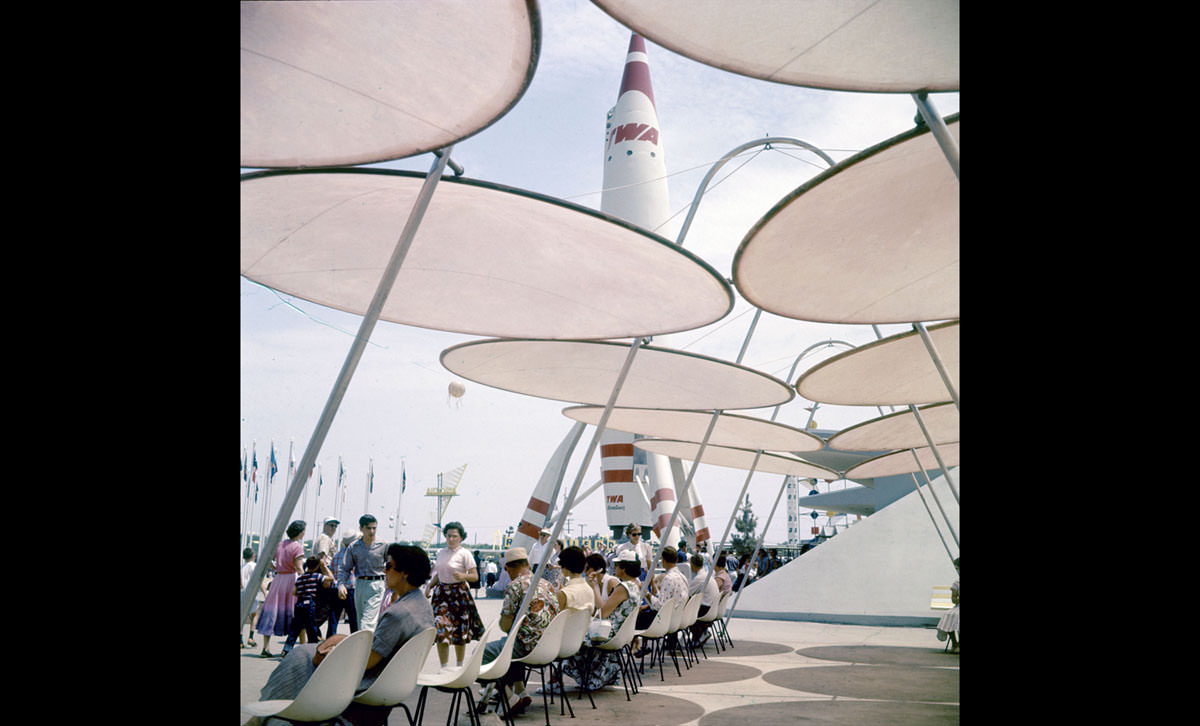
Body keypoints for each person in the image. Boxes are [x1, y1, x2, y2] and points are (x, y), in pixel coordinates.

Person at [253, 544, 436, 726]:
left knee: (301, 656)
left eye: (388, 566)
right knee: (308, 653)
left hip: (372, 680)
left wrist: (338, 653)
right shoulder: (422, 606)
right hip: (396, 682)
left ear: (405, 572)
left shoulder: (399, 613)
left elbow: (370, 660)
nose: (383, 570)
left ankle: (268, 714)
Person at [480, 546, 560, 715]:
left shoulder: (515, 585)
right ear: (528, 565)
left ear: (508, 568)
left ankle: (509, 697)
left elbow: (506, 625)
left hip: (528, 647)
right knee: (510, 644)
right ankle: (521, 691)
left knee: (482, 653)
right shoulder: (548, 585)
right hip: (550, 646)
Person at [561, 549, 641, 691]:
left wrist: (595, 587)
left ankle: (565, 677)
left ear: (623, 568)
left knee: (572, 638)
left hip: (609, 633)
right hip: (621, 634)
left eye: (616, 566)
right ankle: (592, 676)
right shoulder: (635, 586)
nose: (614, 568)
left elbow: (602, 612)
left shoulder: (622, 588)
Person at [424, 521, 483, 670]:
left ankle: (459, 666)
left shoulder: (465, 554)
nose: (451, 539)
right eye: (448, 536)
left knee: (459, 631)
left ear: (461, 538)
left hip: (459, 594)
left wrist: (463, 575)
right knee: (441, 630)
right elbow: (439, 574)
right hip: (442, 594)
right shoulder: (441, 553)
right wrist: (430, 586)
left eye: (454, 536)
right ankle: (444, 667)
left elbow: (475, 576)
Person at [255, 520, 308, 657]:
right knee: (297, 614)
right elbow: (299, 568)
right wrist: (306, 579)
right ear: (300, 532)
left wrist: (276, 568)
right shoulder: (298, 547)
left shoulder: (280, 545)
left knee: (271, 612)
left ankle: (265, 648)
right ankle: (301, 647)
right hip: (291, 580)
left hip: (278, 580)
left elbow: (267, 561)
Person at [337, 514, 389, 631]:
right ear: (361, 528)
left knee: (367, 622)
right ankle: (365, 647)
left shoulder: (383, 545)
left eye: (374, 528)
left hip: (377, 585)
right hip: (360, 585)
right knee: (361, 622)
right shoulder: (354, 547)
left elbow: (391, 565)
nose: (372, 531)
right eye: (368, 528)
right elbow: (345, 568)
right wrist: (341, 585)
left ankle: (366, 647)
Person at [282, 556, 335, 657]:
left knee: (295, 629)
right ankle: (313, 650)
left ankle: (286, 650)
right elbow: (331, 578)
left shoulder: (301, 578)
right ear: (316, 567)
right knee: (311, 629)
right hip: (310, 604)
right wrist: (324, 566)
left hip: (299, 604)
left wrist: (303, 593)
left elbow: (294, 592)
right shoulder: (317, 576)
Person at [634, 546, 687, 633]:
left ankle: (635, 645)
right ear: (676, 560)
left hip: (664, 621)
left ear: (663, 560)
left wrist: (646, 592)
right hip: (676, 617)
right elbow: (665, 598)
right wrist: (652, 584)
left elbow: (660, 606)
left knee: (633, 619)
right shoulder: (682, 577)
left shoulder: (669, 578)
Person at [327, 531, 359, 637]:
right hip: (351, 589)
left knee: (333, 619)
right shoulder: (354, 555)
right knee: (354, 619)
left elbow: (331, 571)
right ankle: (356, 642)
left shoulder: (337, 555)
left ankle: (329, 640)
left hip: (336, 589)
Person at [686, 554, 720, 645]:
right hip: (712, 609)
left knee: (685, 614)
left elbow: (687, 594)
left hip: (705, 610)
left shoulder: (699, 578)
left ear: (692, 564)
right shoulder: (707, 575)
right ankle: (700, 635)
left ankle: (698, 637)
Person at [241, 547, 266, 649]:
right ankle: (251, 637)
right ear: (253, 556)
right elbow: (259, 580)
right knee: (254, 615)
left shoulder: (241, 567)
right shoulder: (254, 566)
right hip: (252, 593)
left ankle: (240, 640)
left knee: (241, 617)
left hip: (242, 593)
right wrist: (265, 593)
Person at [936, 558, 960, 653]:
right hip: (958, 606)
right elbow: (954, 600)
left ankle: (958, 644)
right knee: (949, 615)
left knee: (958, 616)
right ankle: (954, 643)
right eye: (957, 568)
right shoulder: (956, 583)